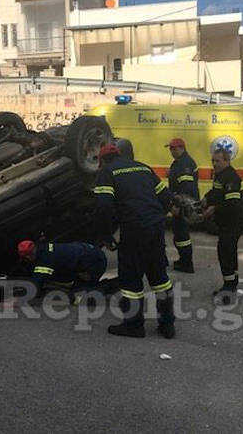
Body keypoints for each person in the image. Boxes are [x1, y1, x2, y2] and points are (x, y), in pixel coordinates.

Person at [94, 143, 176, 339]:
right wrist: (155, 219)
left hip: (133, 229)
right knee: (159, 278)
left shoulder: (107, 172)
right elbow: (166, 198)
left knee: (131, 279)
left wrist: (105, 235)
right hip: (155, 228)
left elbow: (104, 207)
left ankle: (134, 326)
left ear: (103, 160)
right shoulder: (143, 167)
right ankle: (167, 324)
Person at [202, 148, 243, 305]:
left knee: (226, 254)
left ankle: (229, 290)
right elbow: (216, 192)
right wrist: (206, 198)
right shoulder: (220, 176)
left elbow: (232, 204)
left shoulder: (232, 178)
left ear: (227, 161)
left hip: (232, 222)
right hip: (225, 223)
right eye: (213, 160)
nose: (214, 164)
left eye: (218, 161)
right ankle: (230, 285)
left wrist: (214, 208)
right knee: (227, 253)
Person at [17, 240, 107, 298]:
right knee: (76, 290)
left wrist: (17, 301)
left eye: (25, 258)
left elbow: (37, 282)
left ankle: (105, 290)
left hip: (95, 262)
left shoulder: (45, 259)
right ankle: (97, 286)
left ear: (28, 256)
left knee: (78, 297)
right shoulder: (44, 248)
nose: (27, 261)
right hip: (91, 254)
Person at [165, 138, 198, 273]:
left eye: (174, 148)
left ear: (181, 148)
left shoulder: (185, 164)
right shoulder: (180, 162)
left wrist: (178, 205)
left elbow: (186, 188)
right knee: (179, 233)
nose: (172, 151)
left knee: (182, 235)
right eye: (170, 149)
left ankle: (186, 263)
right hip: (182, 203)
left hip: (184, 204)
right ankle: (183, 260)